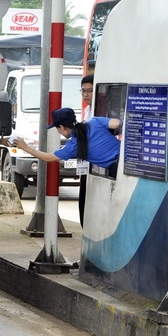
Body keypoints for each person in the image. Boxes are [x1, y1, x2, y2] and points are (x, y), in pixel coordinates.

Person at [13, 107, 121, 180]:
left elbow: (48, 158)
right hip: (129, 157)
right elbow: (117, 124)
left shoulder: (73, 146)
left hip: (117, 169)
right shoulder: (95, 122)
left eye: (56, 128)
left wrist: (26, 147)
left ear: (61, 127)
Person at [78, 74, 93, 227]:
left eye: (90, 91)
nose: (86, 94)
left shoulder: (99, 112)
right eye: (83, 91)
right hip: (85, 164)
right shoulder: (87, 110)